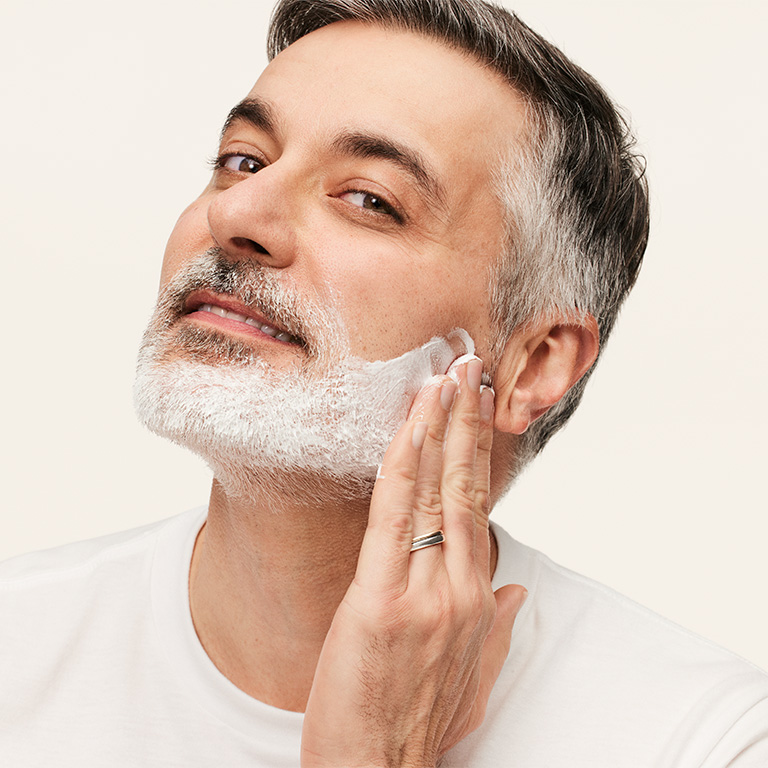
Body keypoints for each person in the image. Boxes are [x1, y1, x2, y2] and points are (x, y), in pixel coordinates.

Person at [1, 0, 766, 765]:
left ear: (535, 364)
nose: (239, 212)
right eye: (244, 159)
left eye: (371, 200)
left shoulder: (704, 738)